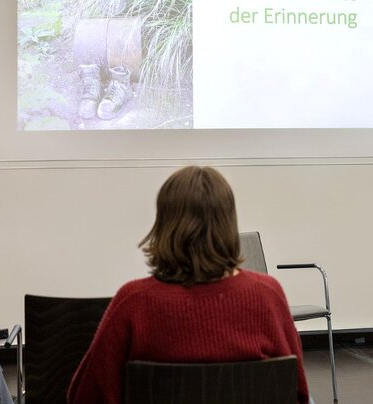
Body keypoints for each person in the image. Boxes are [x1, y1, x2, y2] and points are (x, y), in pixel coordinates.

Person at [68, 166, 310, 404]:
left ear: (164, 225)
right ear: (228, 224)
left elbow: (84, 397)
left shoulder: (134, 301)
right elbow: (298, 393)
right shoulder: (267, 295)